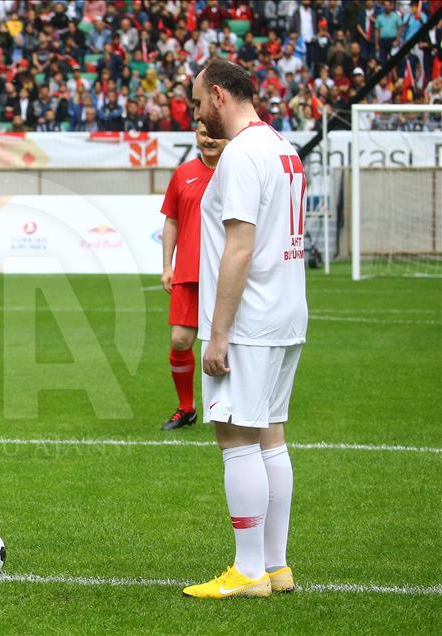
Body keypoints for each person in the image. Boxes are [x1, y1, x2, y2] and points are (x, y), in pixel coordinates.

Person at [185, 59, 307, 599]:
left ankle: (249, 570)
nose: (195, 116)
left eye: (195, 104)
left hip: (250, 319)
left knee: (237, 440)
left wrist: (218, 333)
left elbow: (239, 247)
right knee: (271, 437)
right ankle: (276, 566)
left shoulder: (241, 153)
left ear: (217, 96)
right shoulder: (283, 146)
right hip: (285, 312)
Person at [159, 120, 226, 431]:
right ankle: (187, 408)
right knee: (181, 340)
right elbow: (171, 220)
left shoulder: (235, 171)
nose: (209, 140)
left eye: (214, 134)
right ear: (195, 136)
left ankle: (231, 406)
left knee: (230, 343)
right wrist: (167, 266)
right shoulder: (182, 174)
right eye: (203, 134)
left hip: (226, 274)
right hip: (188, 271)